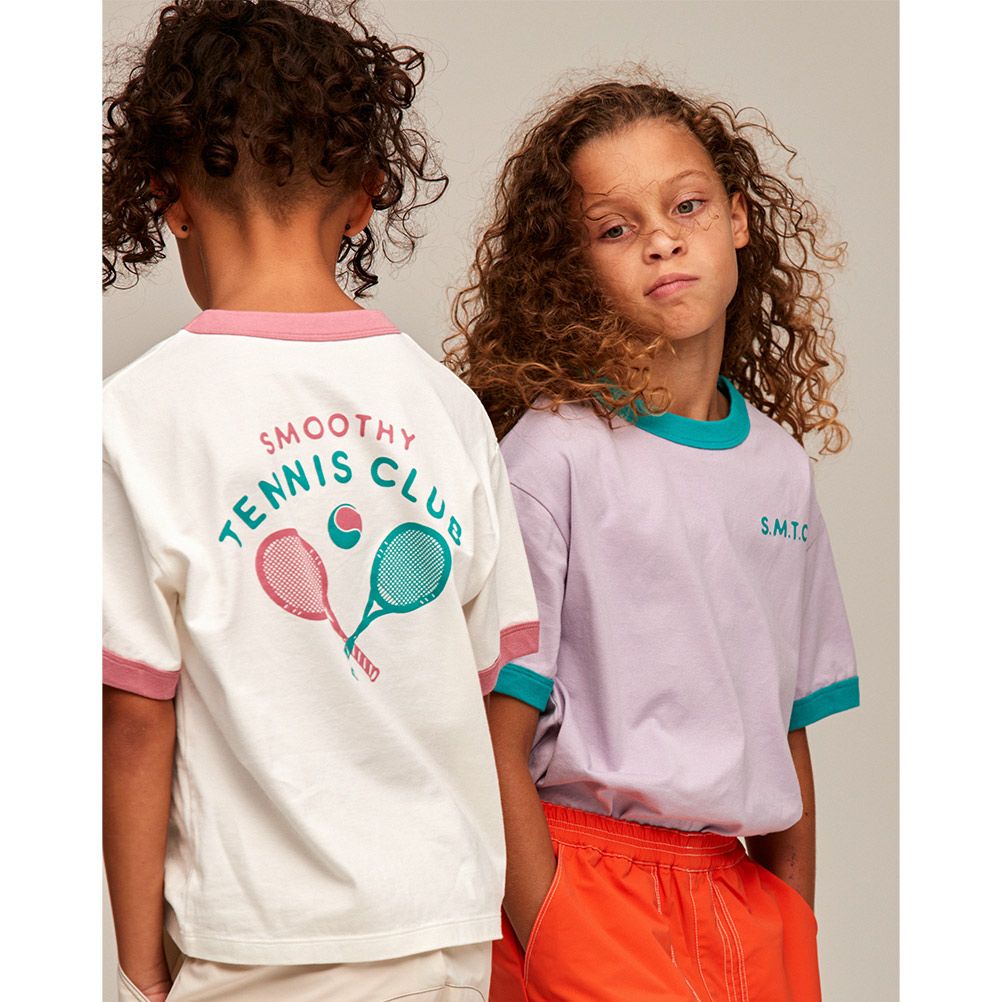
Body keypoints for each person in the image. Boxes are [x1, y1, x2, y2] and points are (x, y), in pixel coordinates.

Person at [102, 3, 539, 1000]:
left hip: (255, 948)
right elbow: (489, 681)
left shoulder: (133, 419)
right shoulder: (448, 408)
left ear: (167, 197)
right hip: (441, 937)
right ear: (365, 197)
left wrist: (137, 970)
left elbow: (135, 716)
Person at [446, 78, 860, 1002]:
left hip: (740, 902)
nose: (663, 240)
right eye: (614, 227)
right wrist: (551, 930)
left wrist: (794, 927)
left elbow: (785, 726)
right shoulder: (551, 456)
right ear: (572, 267)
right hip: (584, 882)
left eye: (687, 206)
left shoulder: (780, 469)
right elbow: (492, 735)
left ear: (738, 218)